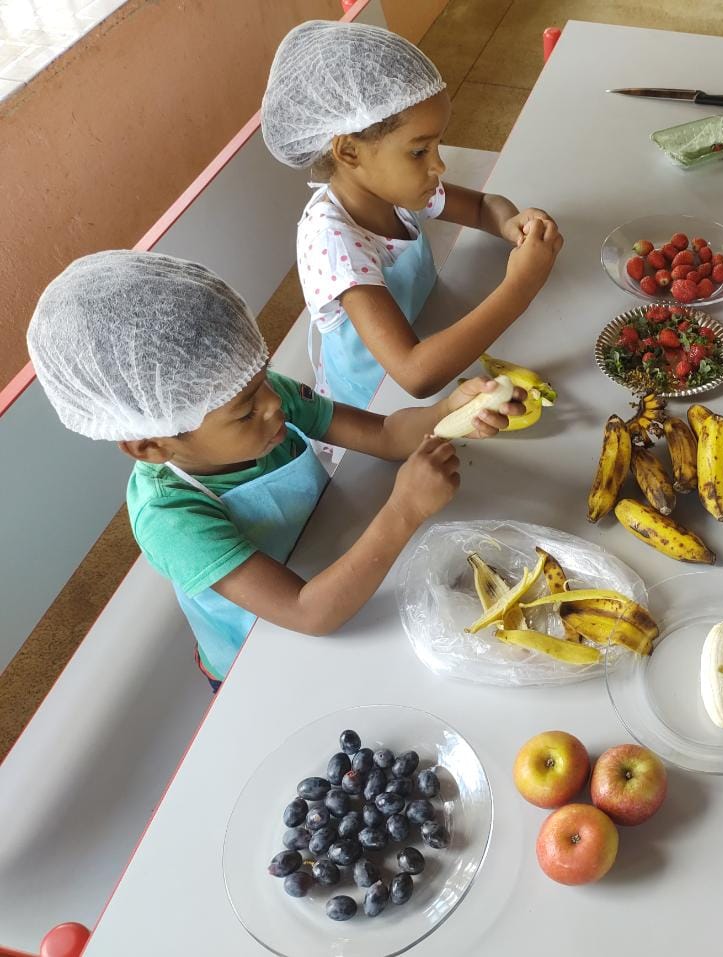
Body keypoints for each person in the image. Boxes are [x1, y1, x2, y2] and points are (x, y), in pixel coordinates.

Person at [27, 251, 523, 690]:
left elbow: (388, 436)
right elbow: (307, 612)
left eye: (264, 378)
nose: (274, 405)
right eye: (246, 411)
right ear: (150, 445)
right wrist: (404, 511)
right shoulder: (171, 516)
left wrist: (447, 413)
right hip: (265, 648)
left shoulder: (258, 396)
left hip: (338, 559)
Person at [260, 20, 563, 408]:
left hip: (434, 334)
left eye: (437, 146)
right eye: (420, 151)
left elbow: (481, 206)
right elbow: (414, 373)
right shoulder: (335, 244)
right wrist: (520, 287)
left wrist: (510, 223)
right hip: (379, 405)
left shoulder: (395, 189)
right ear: (349, 152)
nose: (438, 165)